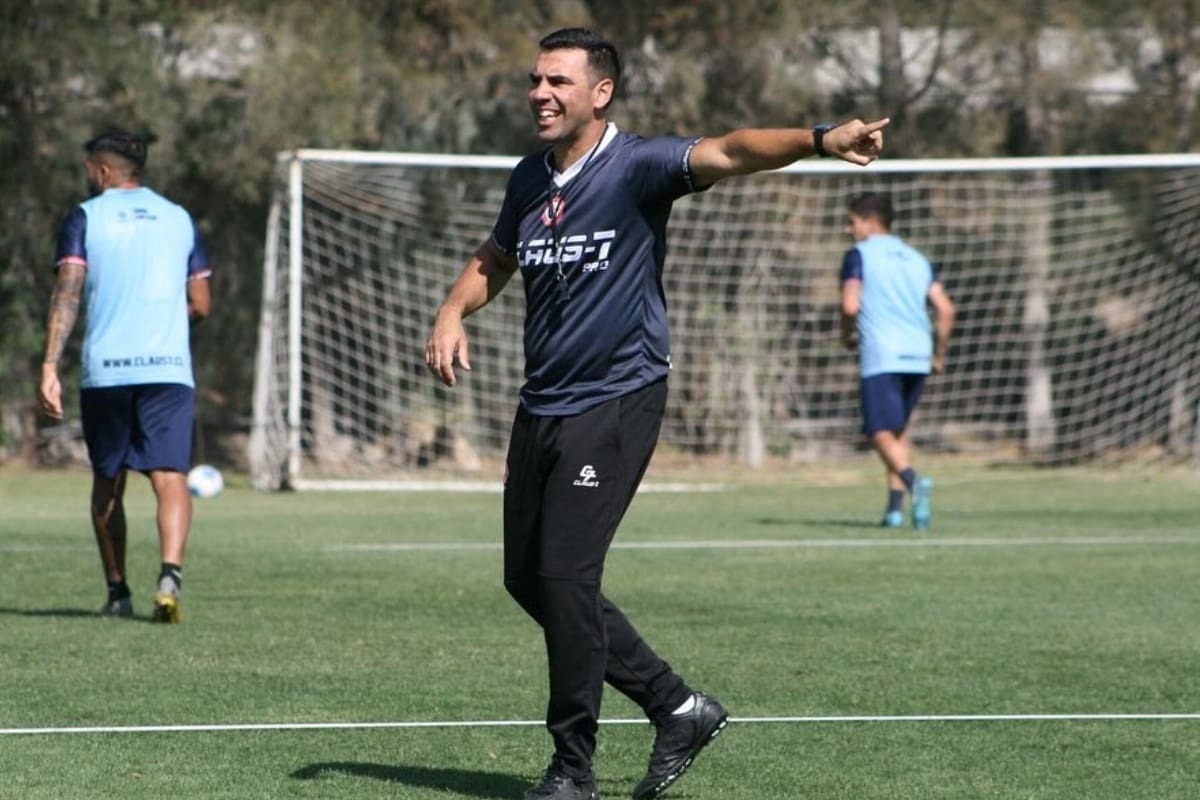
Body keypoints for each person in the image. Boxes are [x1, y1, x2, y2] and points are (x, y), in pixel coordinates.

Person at [425, 27, 888, 800]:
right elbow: (494, 260)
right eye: (536, 80)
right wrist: (451, 311)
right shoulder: (528, 178)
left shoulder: (637, 166)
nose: (540, 93)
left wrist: (818, 138)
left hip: (617, 398)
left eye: (558, 82)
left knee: (567, 576)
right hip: (541, 403)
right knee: (528, 581)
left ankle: (572, 771)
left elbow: (734, 151)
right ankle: (678, 706)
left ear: (599, 93)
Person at [38, 128, 212, 623]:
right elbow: (201, 303)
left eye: (89, 170)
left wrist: (50, 364)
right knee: (170, 475)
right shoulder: (179, 218)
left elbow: (67, 294)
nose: (88, 178)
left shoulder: (85, 217)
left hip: (108, 371)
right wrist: (164, 322)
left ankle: (118, 593)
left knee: (108, 480)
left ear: (104, 171)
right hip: (169, 369)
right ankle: (170, 577)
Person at [839, 192, 954, 530]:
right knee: (898, 432)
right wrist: (938, 354)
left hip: (882, 352)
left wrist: (846, 335)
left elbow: (849, 305)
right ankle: (894, 511)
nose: (849, 230)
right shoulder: (917, 258)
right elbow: (946, 309)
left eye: (852, 222)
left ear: (868, 221)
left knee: (878, 431)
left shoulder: (859, 255)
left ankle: (913, 481)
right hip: (918, 353)